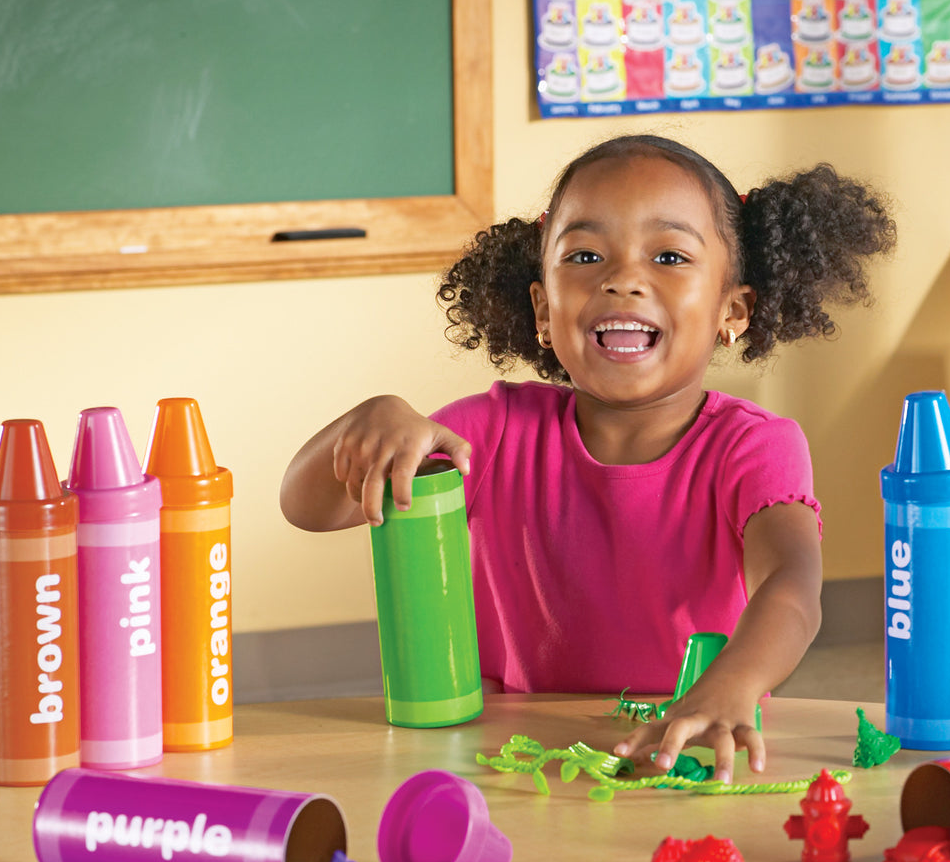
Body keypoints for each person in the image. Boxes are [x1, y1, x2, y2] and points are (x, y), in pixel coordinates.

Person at [281, 134, 895, 783]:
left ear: (731, 311)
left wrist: (729, 688)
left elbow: (792, 588)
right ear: (544, 311)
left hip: (692, 746)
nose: (623, 278)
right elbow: (307, 505)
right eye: (584, 254)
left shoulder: (755, 445)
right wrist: (369, 422)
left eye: (668, 254)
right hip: (521, 753)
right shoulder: (489, 431)